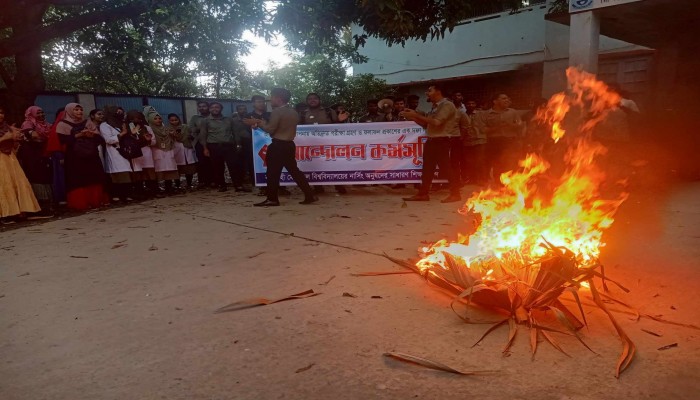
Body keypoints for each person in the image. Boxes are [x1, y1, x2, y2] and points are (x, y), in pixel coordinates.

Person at [243, 88, 317, 207]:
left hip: (278, 145)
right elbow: (282, 127)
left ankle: (272, 199)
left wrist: (259, 123)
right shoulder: (293, 112)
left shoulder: (277, 112)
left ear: (279, 99)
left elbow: (270, 130)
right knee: (295, 171)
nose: (270, 100)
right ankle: (310, 195)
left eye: (272, 97)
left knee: (272, 173)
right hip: (289, 144)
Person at [400, 84, 462, 203]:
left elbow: (436, 122)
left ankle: (455, 193)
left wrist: (415, 115)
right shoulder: (435, 106)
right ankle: (423, 194)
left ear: (438, 92)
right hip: (432, 140)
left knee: (446, 168)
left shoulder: (447, 105)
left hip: (442, 140)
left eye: (429, 91)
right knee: (427, 169)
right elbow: (427, 125)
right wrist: (413, 118)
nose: (426, 93)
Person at [56, 104, 108, 210]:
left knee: (93, 177)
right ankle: (81, 202)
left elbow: (100, 139)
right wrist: (78, 135)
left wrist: (91, 135)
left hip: (91, 155)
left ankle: (95, 200)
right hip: (74, 157)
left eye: (81, 109)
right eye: (76, 110)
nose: (79, 112)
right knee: (78, 179)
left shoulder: (88, 123)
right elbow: (63, 141)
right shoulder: (62, 124)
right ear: (69, 111)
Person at [300, 92, 348, 194]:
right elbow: (299, 128)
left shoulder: (328, 111)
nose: (312, 100)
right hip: (311, 145)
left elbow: (337, 126)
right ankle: (318, 187)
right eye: (310, 99)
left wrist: (340, 121)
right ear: (307, 101)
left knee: (333, 164)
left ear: (319, 100)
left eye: (315, 98)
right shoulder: (303, 113)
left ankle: (339, 185)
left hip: (329, 144)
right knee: (315, 165)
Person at [0, 107, 41, 223]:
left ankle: (19, 211)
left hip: (10, 157)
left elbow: (14, 142)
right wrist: (4, 138)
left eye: (2, 112)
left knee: (16, 183)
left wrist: (16, 138)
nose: (0, 115)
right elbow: (6, 138)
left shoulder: (7, 127)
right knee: (3, 185)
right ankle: (5, 213)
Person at [476, 93, 524, 184]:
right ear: (495, 101)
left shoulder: (512, 112)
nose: (507, 100)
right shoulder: (487, 114)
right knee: (497, 165)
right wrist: (497, 127)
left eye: (507, 98)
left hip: (510, 142)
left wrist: (511, 125)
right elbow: (483, 130)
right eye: (503, 98)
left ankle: (511, 186)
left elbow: (520, 125)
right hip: (494, 142)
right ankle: (499, 187)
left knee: (510, 164)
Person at [201, 102, 247, 192]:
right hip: (214, 146)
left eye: (217, 107)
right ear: (209, 109)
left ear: (221, 109)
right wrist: (205, 148)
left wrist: (238, 144)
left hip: (229, 146)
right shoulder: (206, 121)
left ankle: (238, 185)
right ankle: (222, 185)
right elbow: (203, 135)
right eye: (212, 107)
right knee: (217, 167)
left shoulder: (229, 120)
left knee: (233, 166)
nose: (215, 109)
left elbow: (235, 133)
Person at [18, 106, 54, 216]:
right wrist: (44, 137)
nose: (41, 115)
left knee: (46, 176)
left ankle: (48, 205)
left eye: (42, 112)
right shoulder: (27, 124)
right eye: (38, 113)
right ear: (31, 114)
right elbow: (34, 136)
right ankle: (39, 206)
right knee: (36, 177)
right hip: (31, 155)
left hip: (43, 154)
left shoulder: (46, 125)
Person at [100, 106, 135, 202]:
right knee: (116, 173)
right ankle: (116, 195)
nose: (119, 114)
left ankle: (127, 194)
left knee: (126, 172)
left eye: (120, 112)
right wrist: (122, 133)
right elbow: (108, 139)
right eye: (116, 112)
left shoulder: (121, 124)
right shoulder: (105, 125)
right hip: (114, 152)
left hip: (125, 151)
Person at [144, 106, 179, 193]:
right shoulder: (149, 129)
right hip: (157, 150)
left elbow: (172, 139)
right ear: (151, 120)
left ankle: (169, 187)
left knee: (169, 168)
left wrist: (172, 136)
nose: (158, 120)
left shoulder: (166, 129)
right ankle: (156, 188)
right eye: (155, 119)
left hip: (168, 150)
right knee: (158, 169)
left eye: (159, 118)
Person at [125, 110, 157, 196]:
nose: (136, 120)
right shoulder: (127, 128)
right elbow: (126, 140)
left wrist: (148, 140)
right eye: (133, 118)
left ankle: (152, 191)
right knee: (137, 172)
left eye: (138, 118)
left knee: (149, 171)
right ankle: (140, 193)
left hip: (146, 151)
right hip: (135, 153)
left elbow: (154, 141)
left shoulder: (147, 127)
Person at [461, 99, 488, 186]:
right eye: (468, 103)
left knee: (480, 161)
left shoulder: (482, 114)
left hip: (480, 140)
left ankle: (482, 180)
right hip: (467, 141)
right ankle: (472, 179)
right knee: (469, 162)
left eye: (473, 103)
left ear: (475, 104)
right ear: (465, 105)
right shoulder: (462, 115)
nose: (471, 105)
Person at [168, 113, 197, 190]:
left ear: (179, 119)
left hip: (187, 148)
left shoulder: (185, 127)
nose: (174, 122)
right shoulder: (167, 129)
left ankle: (189, 184)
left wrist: (191, 136)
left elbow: (192, 135)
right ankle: (177, 185)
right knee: (177, 168)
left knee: (189, 168)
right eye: (172, 120)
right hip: (175, 149)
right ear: (169, 121)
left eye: (176, 120)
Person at [189, 101, 213, 189]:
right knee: (201, 162)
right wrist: (200, 130)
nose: (202, 108)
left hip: (212, 141)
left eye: (204, 106)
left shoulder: (213, 116)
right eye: (200, 106)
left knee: (212, 162)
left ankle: (213, 181)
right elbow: (191, 129)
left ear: (208, 107)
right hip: (199, 142)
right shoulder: (195, 118)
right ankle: (202, 181)